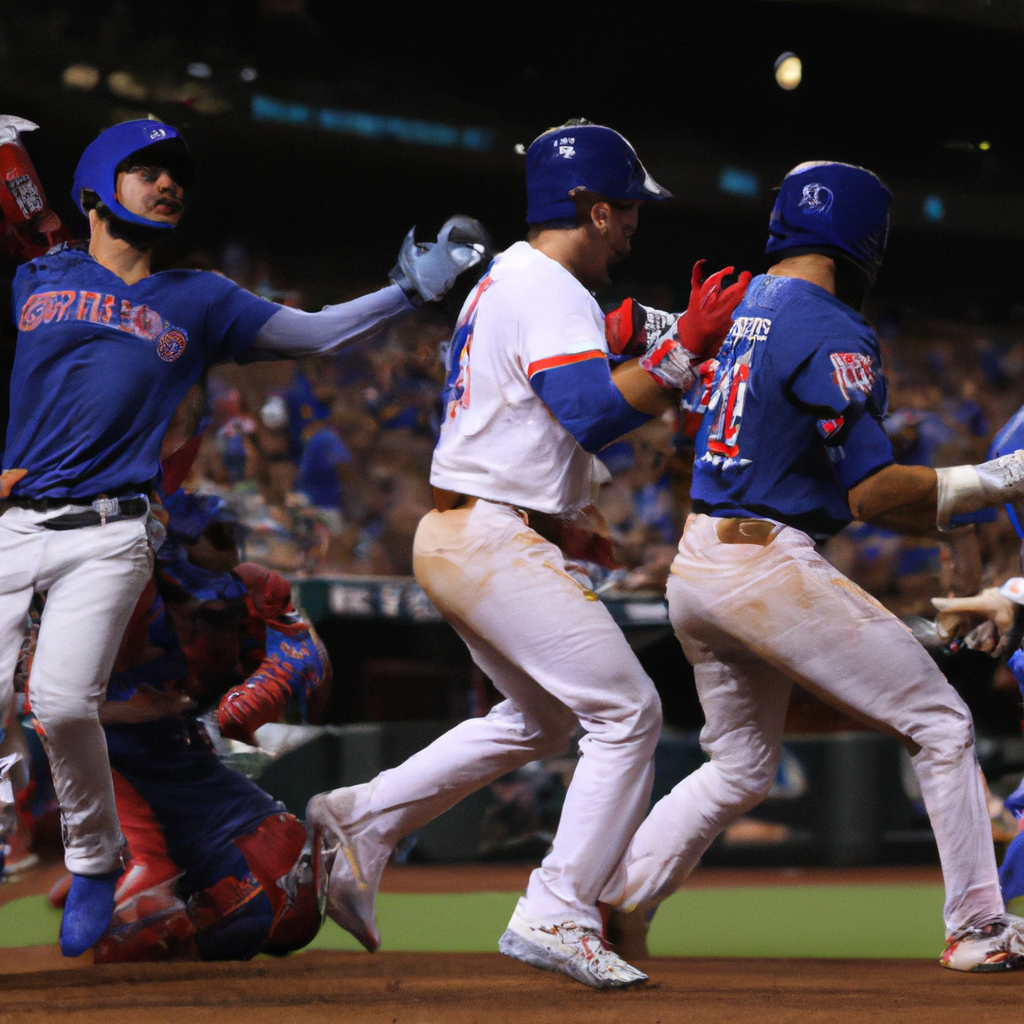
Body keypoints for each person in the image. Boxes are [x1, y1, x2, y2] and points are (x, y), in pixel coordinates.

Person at [0, 116, 486, 957]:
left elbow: (316, 333)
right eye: (147, 169)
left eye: (176, 174)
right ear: (95, 185)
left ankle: (91, 858)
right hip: (16, 521)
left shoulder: (200, 298)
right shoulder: (36, 273)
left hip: (114, 530)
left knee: (60, 703)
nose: (168, 184)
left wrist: (408, 292)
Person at [306, 118, 749, 989]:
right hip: (488, 535)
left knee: (542, 719)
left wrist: (662, 345)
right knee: (628, 715)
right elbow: (589, 408)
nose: (633, 225)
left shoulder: (513, 278)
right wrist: (685, 348)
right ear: (589, 209)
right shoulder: (545, 283)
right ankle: (557, 909)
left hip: (467, 528)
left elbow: (581, 367)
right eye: (625, 210)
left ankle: (362, 817)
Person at [599, 161, 1024, 972]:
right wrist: (1004, 475)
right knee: (940, 723)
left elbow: (845, 488)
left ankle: (623, 898)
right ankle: (978, 926)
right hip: (764, 565)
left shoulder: (742, 307)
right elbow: (868, 491)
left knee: (740, 766)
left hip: (700, 562)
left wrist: (947, 522)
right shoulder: (829, 323)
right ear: (867, 237)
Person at [35, 488, 330, 961]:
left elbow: (312, 674)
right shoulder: (103, 592)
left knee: (290, 910)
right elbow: (41, 705)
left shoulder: (251, 595)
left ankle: (146, 881)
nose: (201, 615)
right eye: (191, 598)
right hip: (112, 770)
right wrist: (129, 708)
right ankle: (115, 868)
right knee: (146, 923)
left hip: (184, 766)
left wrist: (270, 679)